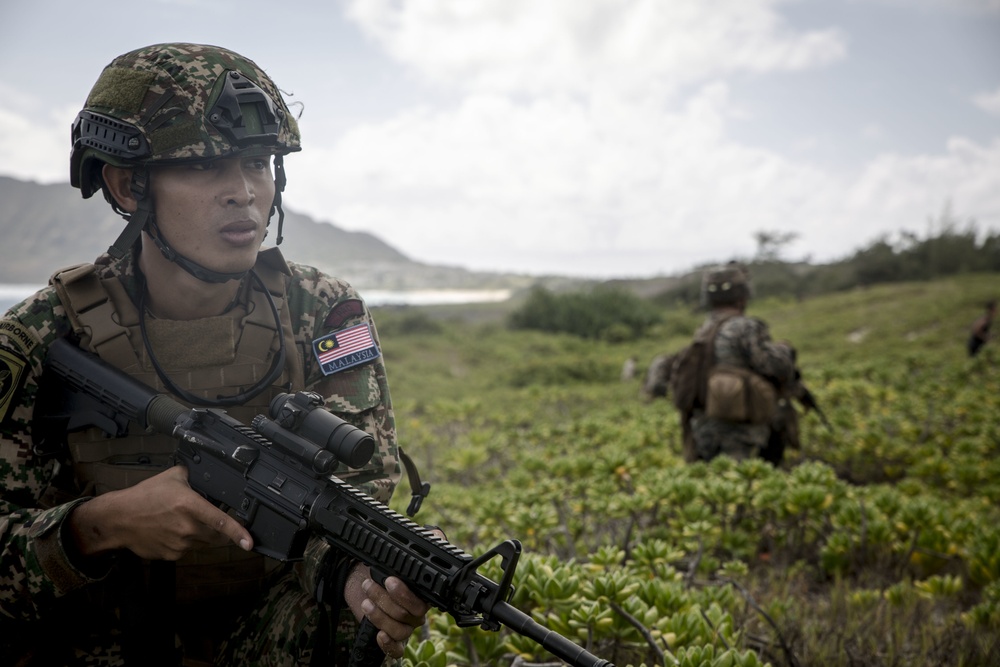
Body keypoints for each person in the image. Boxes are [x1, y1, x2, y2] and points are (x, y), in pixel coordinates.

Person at [0, 43, 430, 666]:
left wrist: (353, 579)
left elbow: (356, 492)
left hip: (256, 634)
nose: (243, 193)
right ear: (129, 184)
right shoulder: (40, 338)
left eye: (257, 163)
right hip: (89, 644)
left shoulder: (323, 311)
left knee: (347, 623)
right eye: (205, 169)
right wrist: (100, 526)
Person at [681, 263, 797, 462]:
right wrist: (784, 351)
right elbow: (775, 367)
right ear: (742, 296)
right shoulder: (746, 328)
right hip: (743, 431)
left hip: (704, 428)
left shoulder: (703, 330)